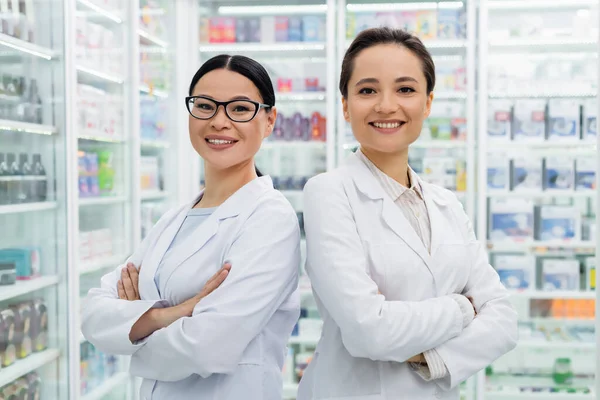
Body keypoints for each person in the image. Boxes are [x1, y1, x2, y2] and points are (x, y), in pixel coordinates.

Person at [298, 27, 518, 400]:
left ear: (428, 103)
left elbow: (504, 321)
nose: (386, 105)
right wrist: (462, 309)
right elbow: (368, 330)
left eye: (405, 89)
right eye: (367, 90)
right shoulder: (328, 193)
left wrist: (430, 357)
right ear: (346, 105)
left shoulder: (446, 204)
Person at [81, 54, 301, 400]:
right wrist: (172, 314)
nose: (219, 121)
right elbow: (93, 314)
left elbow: (207, 346)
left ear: (269, 120)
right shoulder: (174, 218)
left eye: (240, 109)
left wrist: (132, 328)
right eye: (205, 106)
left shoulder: (270, 219)